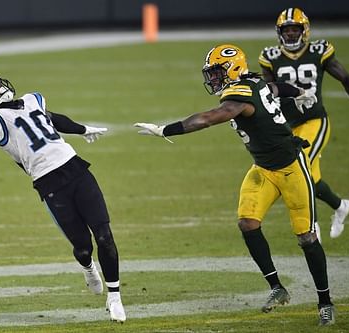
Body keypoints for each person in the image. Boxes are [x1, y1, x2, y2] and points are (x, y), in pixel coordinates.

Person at [134, 44, 336, 326]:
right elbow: (275, 87)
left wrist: (166, 130)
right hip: (263, 168)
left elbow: (208, 119)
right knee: (247, 223)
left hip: (291, 168)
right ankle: (277, 287)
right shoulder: (253, 80)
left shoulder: (238, 96)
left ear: (232, 68)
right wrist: (299, 92)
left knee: (306, 238)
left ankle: (325, 303)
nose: (213, 79)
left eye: (217, 72)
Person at [0, 44, 126, 322]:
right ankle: (87, 265)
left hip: (77, 169)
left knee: (104, 235)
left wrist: (82, 129)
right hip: (50, 184)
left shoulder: (32, 101)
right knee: (82, 246)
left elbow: (53, 119)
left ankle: (115, 297)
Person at [259, 7, 349, 240]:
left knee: (298, 168)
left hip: (315, 120)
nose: (291, 34)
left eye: (295, 29)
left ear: (305, 30)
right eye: (286, 30)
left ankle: (311, 223)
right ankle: (341, 206)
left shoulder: (319, 51)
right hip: (288, 125)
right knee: (310, 176)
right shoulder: (270, 57)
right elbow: (266, 93)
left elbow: (346, 78)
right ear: (279, 32)